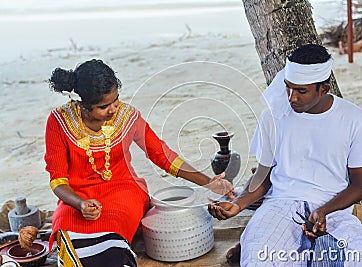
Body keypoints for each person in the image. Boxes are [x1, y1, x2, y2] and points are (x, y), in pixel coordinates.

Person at [44, 59, 234, 267]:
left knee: (114, 240)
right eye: (103, 106)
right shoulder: (58, 122)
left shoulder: (128, 116)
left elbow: (163, 155)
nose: (114, 109)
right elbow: (58, 180)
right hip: (75, 196)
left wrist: (208, 182)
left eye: (116, 100)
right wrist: (80, 204)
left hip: (123, 190)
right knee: (66, 229)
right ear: (81, 104)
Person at [208, 44, 362, 266]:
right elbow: (263, 176)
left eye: (301, 91)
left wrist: (324, 210)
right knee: (258, 257)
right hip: (281, 205)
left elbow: (358, 187)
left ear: (324, 88)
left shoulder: (356, 120)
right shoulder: (274, 117)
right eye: (288, 88)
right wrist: (238, 204)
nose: (292, 98)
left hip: (333, 210)